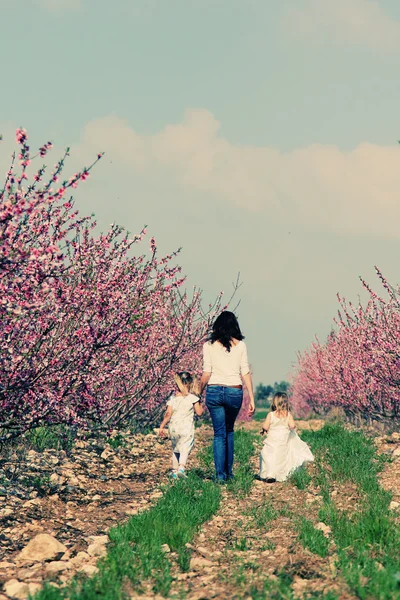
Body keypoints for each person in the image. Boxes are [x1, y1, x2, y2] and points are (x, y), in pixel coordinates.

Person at [200, 311, 255, 482]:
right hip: (234, 391)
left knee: (219, 434)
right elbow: (245, 371)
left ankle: (220, 476)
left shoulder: (208, 346)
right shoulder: (241, 346)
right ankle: (229, 473)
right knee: (229, 431)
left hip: (214, 391)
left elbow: (206, 372)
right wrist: (252, 398)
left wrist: (198, 392)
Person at [259, 392, 314, 483]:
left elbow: (265, 426)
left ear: (274, 403)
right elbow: (292, 426)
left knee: (268, 455)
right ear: (286, 403)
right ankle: (279, 474)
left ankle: (270, 474)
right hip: (283, 440)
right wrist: (291, 428)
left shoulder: (271, 415)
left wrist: (263, 430)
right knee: (281, 457)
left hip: (272, 440)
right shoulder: (288, 415)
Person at [159, 371, 204, 478]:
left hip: (174, 428)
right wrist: (199, 400)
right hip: (186, 428)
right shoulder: (193, 398)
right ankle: (181, 468)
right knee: (185, 448)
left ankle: (174, 471)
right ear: (190, 383)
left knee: (176, 448)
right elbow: (199, 412)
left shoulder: (172, 399)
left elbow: (168, 414)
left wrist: (162, 426)